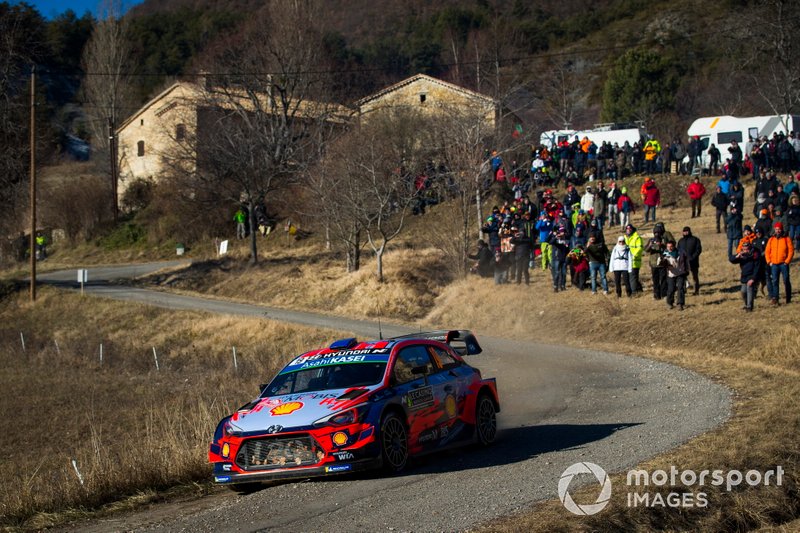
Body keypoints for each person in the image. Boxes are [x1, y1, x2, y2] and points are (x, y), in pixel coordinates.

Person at [764, 222, 794, 305]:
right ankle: (775, 298)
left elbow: (791, 251)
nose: (777, 231)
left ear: (781, 229)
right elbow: (767, 251)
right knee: (775, 281)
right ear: (774, 229)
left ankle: (788, 298)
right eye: (776, 229)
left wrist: (787, 261)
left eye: (779, 229)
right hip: (774, 264)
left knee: (786, 280)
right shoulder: (771, 239)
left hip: (783, 264)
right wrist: (769, 262)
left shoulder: (786, 239)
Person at [730, 241, 761, 312]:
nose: (745, 250)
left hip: (752, 275)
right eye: (744, 249)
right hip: (744, 276)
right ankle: (747, 304)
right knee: (743, 292)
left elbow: (757, 268)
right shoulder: (742, 255)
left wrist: (753, 278)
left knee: (749, 289)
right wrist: (737, 256)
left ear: (749, 248)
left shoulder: (755, 254)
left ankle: (749, 307)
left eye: (746, 249)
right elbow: (731, 260)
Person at [662, 240, 688, 310]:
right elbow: (662, 264)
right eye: (668, 247)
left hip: (680, 272)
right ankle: (669, 303)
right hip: (671, 273)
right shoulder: (664, 254)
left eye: (671, 246)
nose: (669, 248)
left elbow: (686, 262)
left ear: (674, 246)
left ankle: (680, 304)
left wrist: (686, 272)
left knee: (680, 288)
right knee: (671, 288)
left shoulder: (681, 252)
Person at [645, 224, 669, 300]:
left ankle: (664, 294)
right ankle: (656, 295)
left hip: (662, 263)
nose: (656, 234)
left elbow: (669, 249)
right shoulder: (651, 240)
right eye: (655, 232)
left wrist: (662, 245)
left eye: (658, 232)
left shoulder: (663, 239)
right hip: (653, 264)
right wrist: (650, 245)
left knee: (663, 279)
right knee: (655, 280)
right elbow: (646, 250)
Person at [677, 226, 703, 295]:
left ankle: (696, 290)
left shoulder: (695, 239)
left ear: (689, 231)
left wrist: (693, 257)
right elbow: (678, 250)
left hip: (693, 261)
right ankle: (684, 290)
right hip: (683, 262)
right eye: (684, 231)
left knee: (695, 276)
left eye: (687, 231)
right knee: (683, 277)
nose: (685, 233)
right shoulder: (680, 241)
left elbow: (698, 250)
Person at [547, 228, 570, 292]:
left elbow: (568, 250)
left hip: (564, 259)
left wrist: (568, 258)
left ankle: (563, 286)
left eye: (562, 233)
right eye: (559, 233)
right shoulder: (554, 240)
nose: (560, 234)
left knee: (564, 273)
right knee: (556, 273)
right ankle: (555, 286)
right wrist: (555, 237)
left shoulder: (566, 241)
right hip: (556, 259)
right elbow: (550, 242)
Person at [624, 224, 644, 293]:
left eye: (630, 228)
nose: (628, 230)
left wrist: (633, 255)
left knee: (633, 277)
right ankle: (639, 289)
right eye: (627, 228)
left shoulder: (637, 238)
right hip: (626, 261)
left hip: (634, 261)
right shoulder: (624, 238)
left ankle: (634, 292)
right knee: (631, 277)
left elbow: (640, 248)